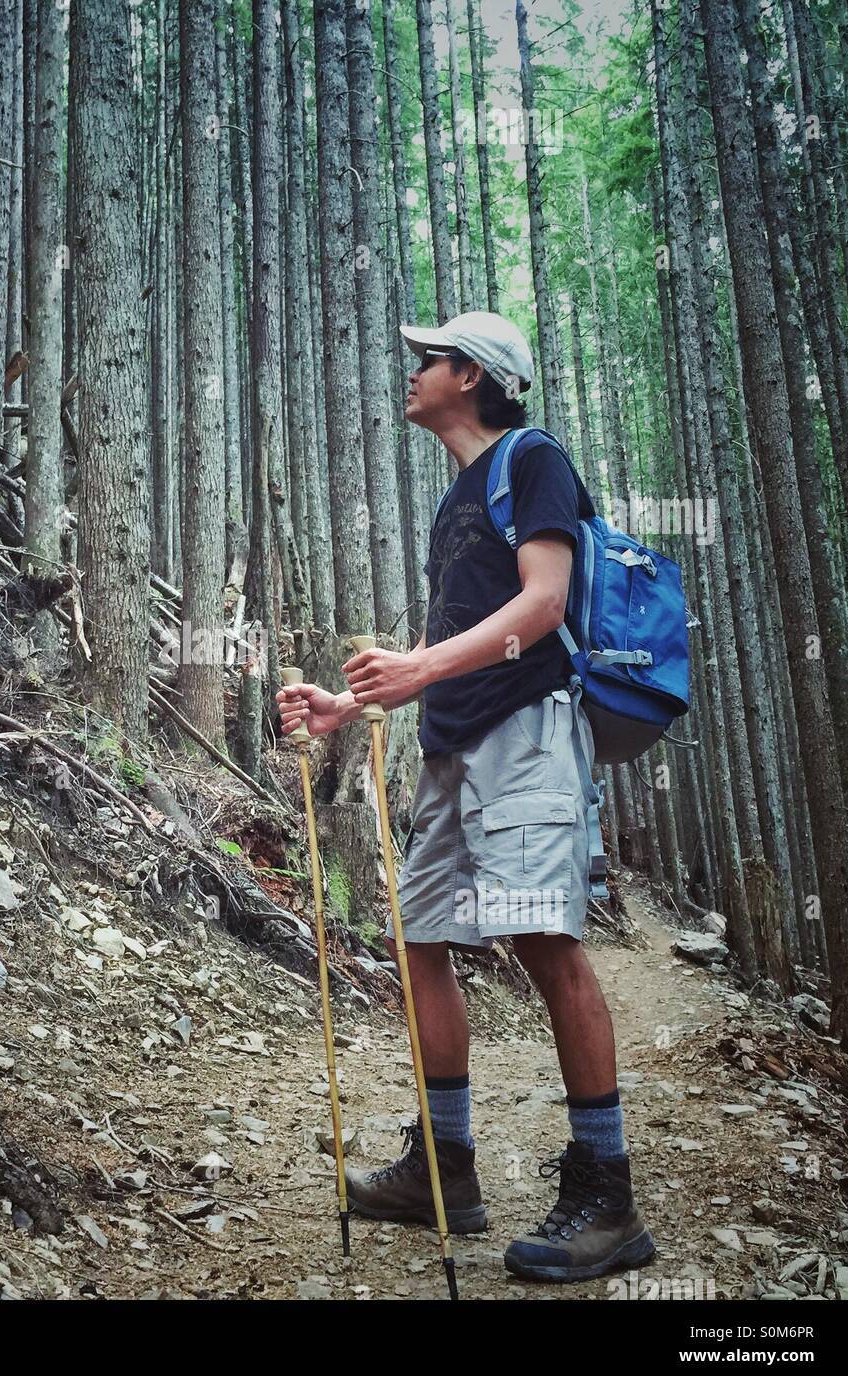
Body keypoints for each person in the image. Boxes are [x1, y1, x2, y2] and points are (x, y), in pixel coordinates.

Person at [275, 311, 655, 1284]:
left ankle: (606, 1197)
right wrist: (341, 704)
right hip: (450, 748)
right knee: (422, 942)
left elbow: (538, 605)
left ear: (474, 375)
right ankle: (441, 1173)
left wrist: (414, 670)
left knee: (544, 940)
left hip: (528, 738)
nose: (412, 371)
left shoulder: (533, 461)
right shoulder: (458, 497)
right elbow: (455, 634)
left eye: (428, 359)